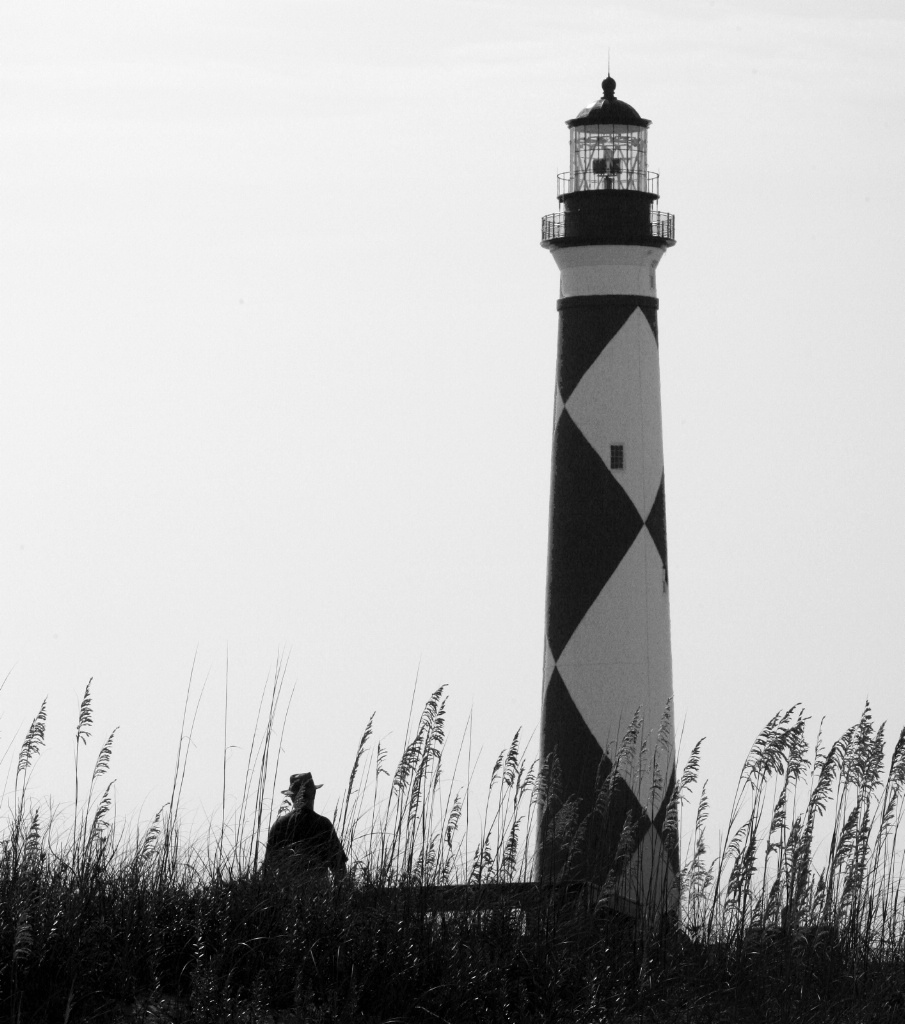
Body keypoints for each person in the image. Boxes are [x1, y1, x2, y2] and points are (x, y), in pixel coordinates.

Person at [264, 772, 348, 886]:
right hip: (318, 896)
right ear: (314, 793)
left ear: (292, 796)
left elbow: (268, 870)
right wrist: (337, 899)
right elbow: (339, 870)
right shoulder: (323, 825)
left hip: (285, 897)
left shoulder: (279, 825)